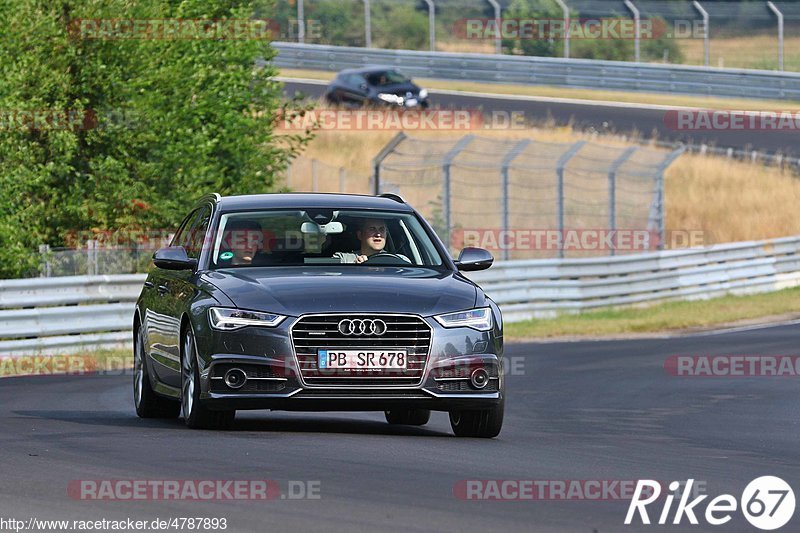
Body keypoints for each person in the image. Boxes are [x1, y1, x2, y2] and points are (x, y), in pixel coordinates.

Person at [334, 218, 410, 264]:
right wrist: (354, 269)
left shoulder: (400, 260)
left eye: (381, 229)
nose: (378, 234)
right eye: (372, 229)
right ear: (360, 235)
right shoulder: (343, 260)